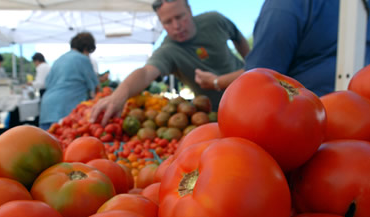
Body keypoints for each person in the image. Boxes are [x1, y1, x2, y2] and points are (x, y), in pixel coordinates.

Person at [90, 0, 250, 125]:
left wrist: (251, 62)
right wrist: (119, 94)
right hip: (217, 113)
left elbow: (238, 37)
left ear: (190, 10)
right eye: (168, 22)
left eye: (180, 17)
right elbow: (146, 72)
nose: (177, 26)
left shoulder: (214, 21)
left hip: (250, 93)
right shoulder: (168, 50)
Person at [196, 0, 370, 97]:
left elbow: (258, 76)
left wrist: (215, 82)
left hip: (309, 125)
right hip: (354, 123)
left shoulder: (283, 6)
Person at [39, 32, 99, 130]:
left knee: (44, 142)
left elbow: (47, 83)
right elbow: (95, 87)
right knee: (65, 142)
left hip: (47, 108)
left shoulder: (59, 60)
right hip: (65, 108)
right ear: (86, 48)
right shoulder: (83, 59)